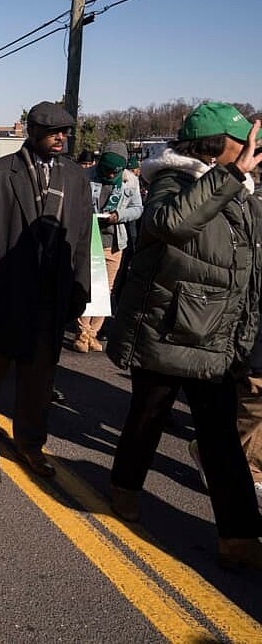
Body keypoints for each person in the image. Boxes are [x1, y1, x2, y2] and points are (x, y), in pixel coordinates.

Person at [106, 102, 262, 570]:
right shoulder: (172, 180)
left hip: (215, 333)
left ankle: (238, 536)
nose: (252, 152)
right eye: (243, 143)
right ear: (217, 147)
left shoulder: (242, 189)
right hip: (168, 328)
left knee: (220, 439)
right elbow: (170, 224)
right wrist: (230, 175)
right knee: (147, 417)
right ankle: (124, 489)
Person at [0, 101, 92, 477]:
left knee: (39, 380)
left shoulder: (75, 178)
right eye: (52, 131)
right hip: (5, 293)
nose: (60, 138)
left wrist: (81, 287)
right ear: (32, 132)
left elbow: (82, 236)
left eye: (64, 132)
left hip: (52, 295)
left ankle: (30, 444)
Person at [74, 142, 142, 353]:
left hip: (115, 242)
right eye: (106, 170)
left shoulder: (130, 181)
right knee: (87, 286)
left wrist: (119, 216)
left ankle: (93, 333)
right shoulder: (86, 177)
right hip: (89, 237)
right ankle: (82, 332)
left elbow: (138, 208)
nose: (110, 174)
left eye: (114, 171)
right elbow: (75, 205)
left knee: (105, 289)